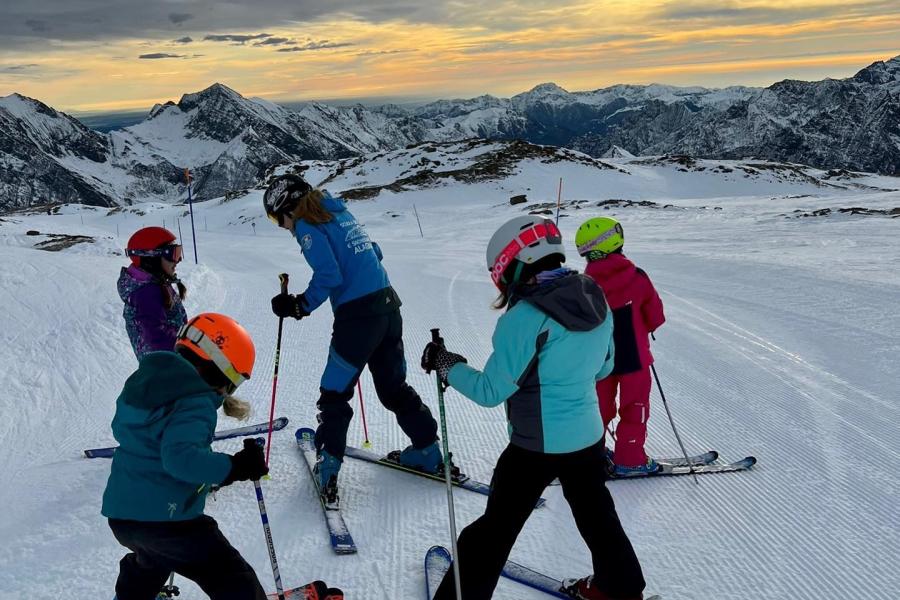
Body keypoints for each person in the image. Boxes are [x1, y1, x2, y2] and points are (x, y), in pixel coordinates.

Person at [422, 216, 646, 600]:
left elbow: (490, 391)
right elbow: (605, 366)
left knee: (492, 531)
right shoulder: (593, 294)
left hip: (535, 449)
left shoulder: (524, 318)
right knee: (599, 520)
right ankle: (622, 591)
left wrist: (447, 365)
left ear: (512, 264)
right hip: (588, 438)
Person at [263, 174, 442, 500]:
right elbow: (374, 251)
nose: (283, 227)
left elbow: (330, 274)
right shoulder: (339, 211)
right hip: (388, 307)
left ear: (288, 206)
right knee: (393, 387)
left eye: (278, 219)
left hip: (359, 318)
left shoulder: (306, 224)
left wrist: (300, 305)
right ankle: (428, 450)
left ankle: (329, 467)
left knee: (334, 393)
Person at [102, 312, 270, 600]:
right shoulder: (195, 401)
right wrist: (235, 467)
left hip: (122, 516)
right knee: (228, 573)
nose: (227, 392)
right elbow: (180, 460)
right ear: (219, 370)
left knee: (152, 559)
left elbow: (157, 449)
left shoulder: (149, 384)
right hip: (167, 522)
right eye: (233, 382)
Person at [575, 217, 665, 476]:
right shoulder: (637, 278)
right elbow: (656, 316)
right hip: (634, 359)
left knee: (598, 407)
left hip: (598, 361)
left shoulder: (583, 285)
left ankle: (591, 457)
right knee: (635, 406)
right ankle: (631, 459)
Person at [119, 226, 187, 360]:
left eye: (178, 252)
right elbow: (156, 338)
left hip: (170, 361)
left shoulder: (155, 283)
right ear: (150, 258)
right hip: (168, 365)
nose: (178, 260)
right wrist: (190, 350)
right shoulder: (147, 293)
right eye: (172, 254)